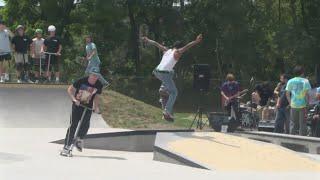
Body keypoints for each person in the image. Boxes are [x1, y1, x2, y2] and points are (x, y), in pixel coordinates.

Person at [142, 34, 203, 121]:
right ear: (179, 48)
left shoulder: (167, 50)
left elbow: (156, 44)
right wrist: (196, 41)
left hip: (156, 71)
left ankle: (163, 88)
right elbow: (187, 47)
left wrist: (148, 40)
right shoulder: (177, 52)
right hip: (164, 74)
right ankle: (167, 111)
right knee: (174, 93)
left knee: (172, 72)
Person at [60, 67, 104, 156]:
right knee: (73, 125)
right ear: (90, 74)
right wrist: (74, 100)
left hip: (88, 107)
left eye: (96, 76)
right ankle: (66, 146)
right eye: (93, 75)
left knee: (85, 126)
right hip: (77, 106)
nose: (94, 78)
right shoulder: (81, 80)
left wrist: (95, 107)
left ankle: (79, 140)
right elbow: (70, 89)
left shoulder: (99, 85)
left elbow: (96, 96)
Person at [286, 66, 311, 136]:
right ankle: (302, 139)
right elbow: (307, 94)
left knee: (293, 123)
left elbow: (287, 94)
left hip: (293, 104)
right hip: (303, 105)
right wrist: (308, 104)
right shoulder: (305, 81)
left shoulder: (290, 81)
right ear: (302, 72)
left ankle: (291, 138)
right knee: (302, 123)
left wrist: (290, 103)